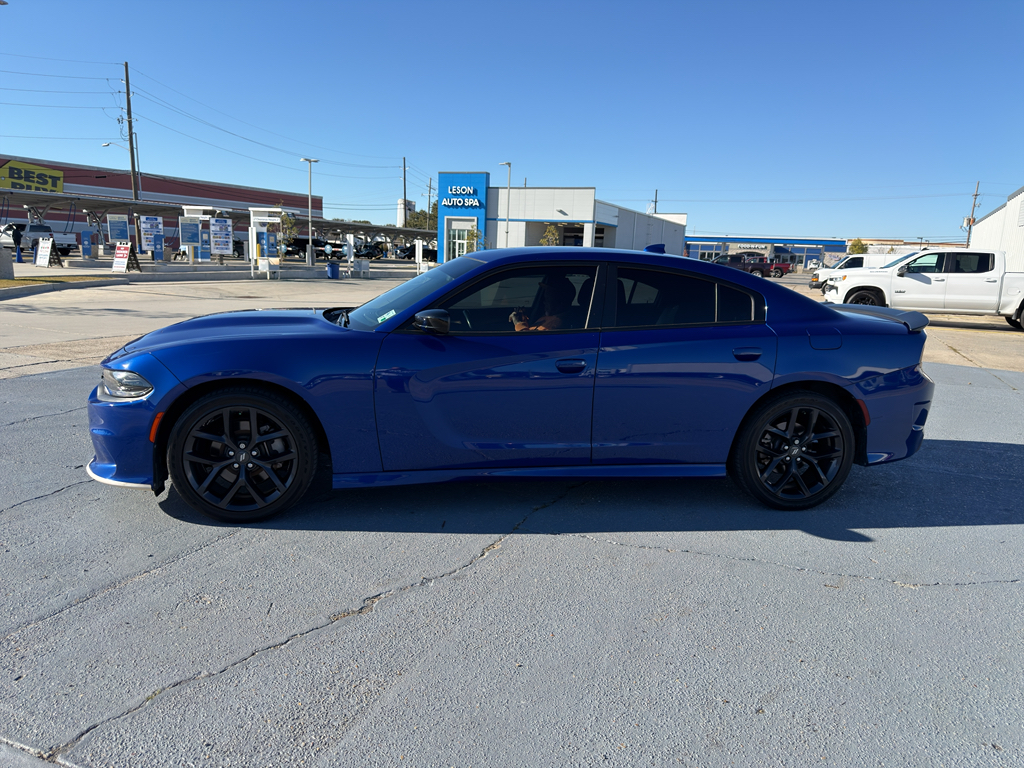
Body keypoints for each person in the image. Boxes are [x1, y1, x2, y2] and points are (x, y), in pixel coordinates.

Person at [510, 275, 576, 331]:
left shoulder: (555, 323)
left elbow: (530, 340)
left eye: (548, 300)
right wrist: (524, 321)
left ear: (561, 302)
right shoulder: (549, 317)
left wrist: (519, 324)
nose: (544, 302)